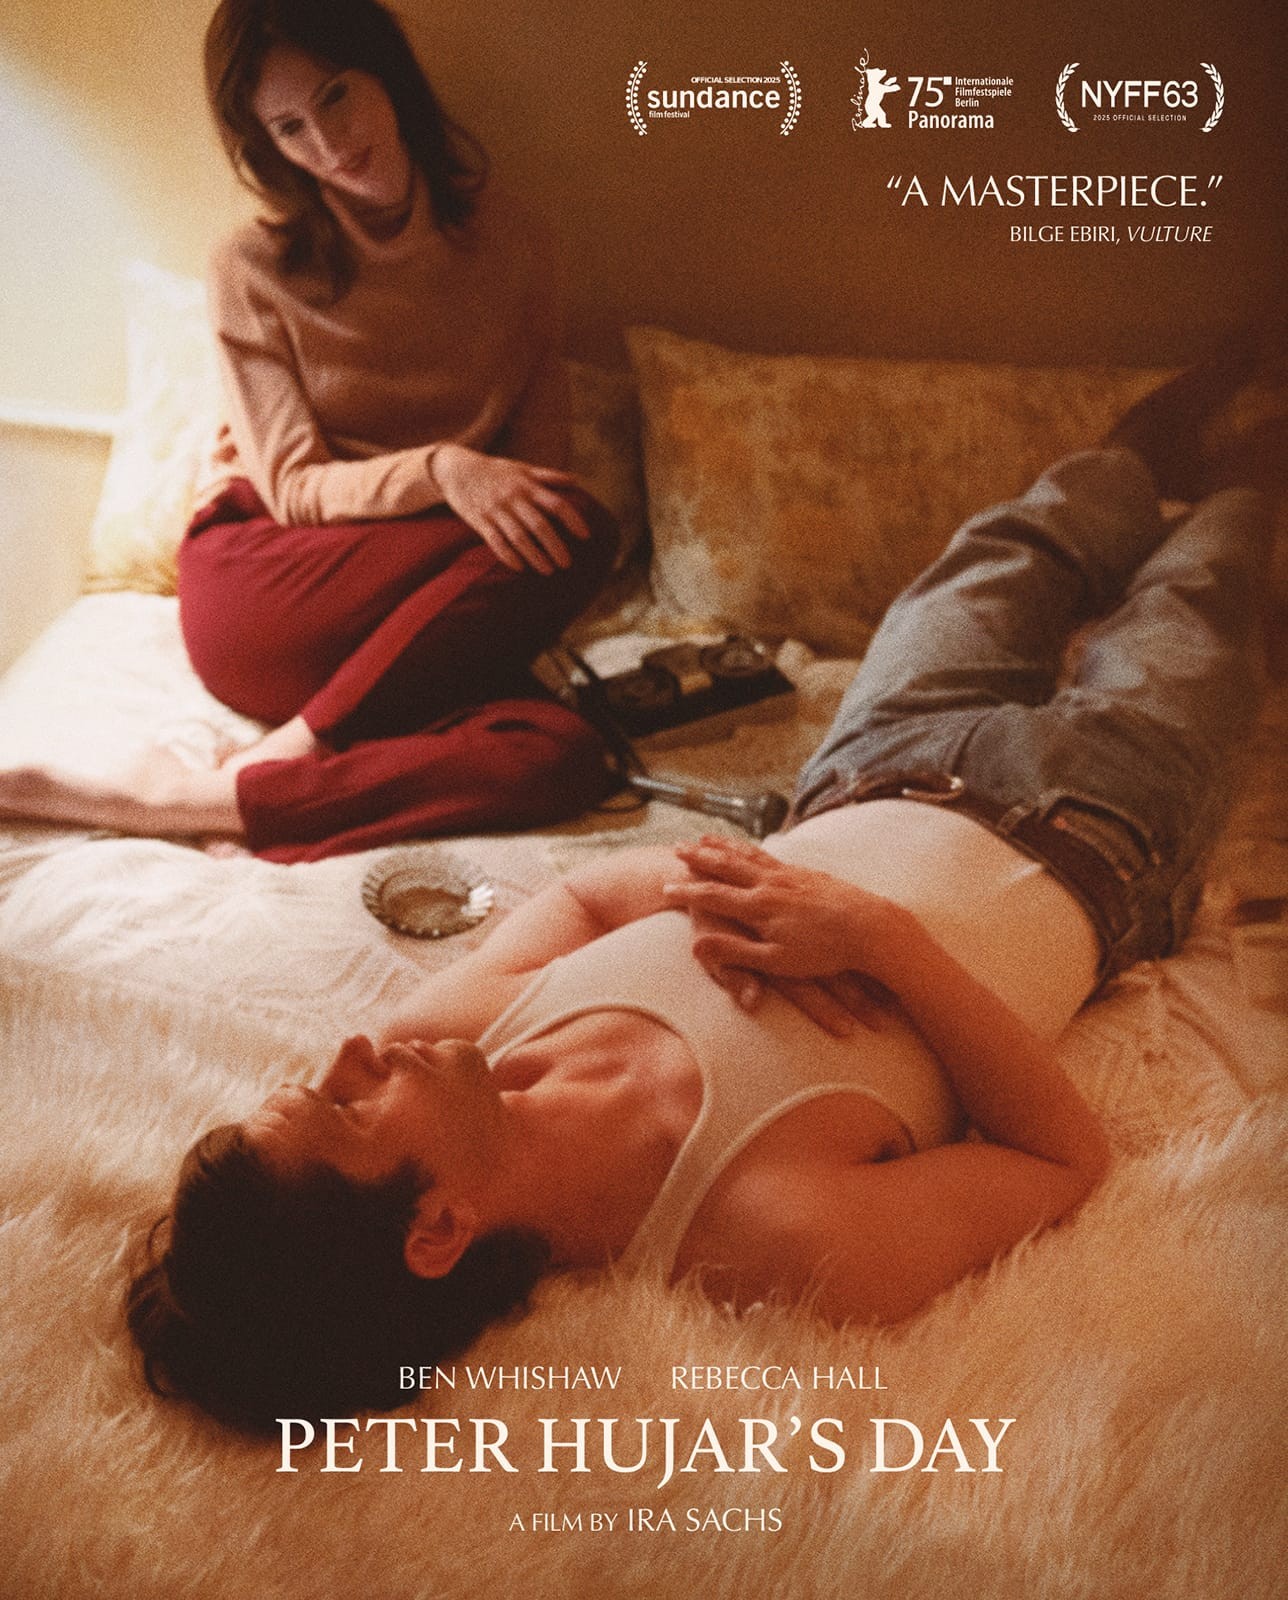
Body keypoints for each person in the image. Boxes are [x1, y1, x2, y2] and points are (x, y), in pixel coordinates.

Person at [119, 362, 1277, 1435]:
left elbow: (583, 905)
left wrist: (740, 890)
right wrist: (874, 939)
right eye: (347, 1108)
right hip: (1098, 833)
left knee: (1007, 550)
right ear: (437, 1229)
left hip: (868, 767)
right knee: (1205, 579)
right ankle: (1245, 461)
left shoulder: (453, 1035)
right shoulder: (774, 1237)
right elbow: (1063, 1161)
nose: (354, 1051)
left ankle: (1144, 448)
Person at [6, 0, 620, 862]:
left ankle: (199, 800)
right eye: (290, 128)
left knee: (564, 753)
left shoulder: (517, 243)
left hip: (404, 600)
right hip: (268, 584)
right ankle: (303, 745)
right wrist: (443, 471)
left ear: (388, 75)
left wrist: (490, 539)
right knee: (580, 527)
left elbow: (535, 487)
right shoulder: (250, 267)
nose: (329, 145)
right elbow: (293, 488)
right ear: (268, 146)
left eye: (336, 96)